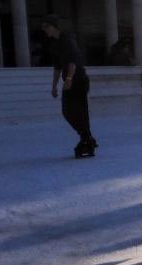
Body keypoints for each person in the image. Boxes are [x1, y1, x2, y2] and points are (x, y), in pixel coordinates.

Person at [42, 14, 97, 158]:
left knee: (79, 112)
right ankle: (87, 138)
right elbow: (57, 67)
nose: (44, 30)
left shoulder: (68, 39)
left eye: (46, 26)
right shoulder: (54, 44)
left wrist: (69, 78)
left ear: (54, 26)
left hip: (78, 80)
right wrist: (54, 86)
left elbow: (73, 60)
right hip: (70, 81)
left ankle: (87, 139)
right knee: (67, 111)